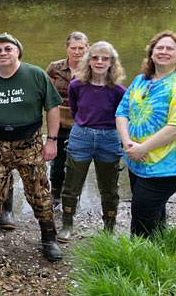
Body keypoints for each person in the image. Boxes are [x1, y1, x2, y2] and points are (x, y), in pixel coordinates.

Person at [0, 33, 63, 261]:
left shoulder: (35, 75)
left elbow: (53, 107)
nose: (3, 53)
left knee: (39, 193)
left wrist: (51, 141)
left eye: (8, 49)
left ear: (17, 51)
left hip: (30, 147)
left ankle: (49, 238)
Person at [115, 31, 176, 238]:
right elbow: (121, 112)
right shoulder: (140, 81)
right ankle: (161, 244)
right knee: (153, 210)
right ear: (151, 53)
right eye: (159, 48)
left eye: (169, 48)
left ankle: (140, 262)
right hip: (137, 159)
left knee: (142, 215)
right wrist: (128, 143)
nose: (163, 52)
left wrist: (142, 148)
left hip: (168, 165)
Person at [57, 41, 126, 243]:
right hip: (81, 136)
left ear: (112, 62)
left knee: (109, 188)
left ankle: (109, 228)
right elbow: (76, 110)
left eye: (105, 58)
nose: (100, 61)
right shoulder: (76, 85)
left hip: (109, 137)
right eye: (95, 57)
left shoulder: (119, 91)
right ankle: (67, 224)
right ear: (88, 60)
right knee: (71, 185)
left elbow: (122, 117)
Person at [46, 32, 89, 207]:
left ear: (87, 48)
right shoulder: (55, 67)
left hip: (82, 121)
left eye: (81, 48)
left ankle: (73, 194)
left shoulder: (93, 68)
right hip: (59, 121)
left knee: (78, 161)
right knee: (57, 161)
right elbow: (46, 93)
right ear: (66, 48)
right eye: (73, 48)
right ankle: (55, 192)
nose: (77, 52)